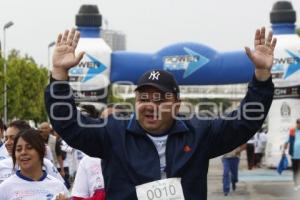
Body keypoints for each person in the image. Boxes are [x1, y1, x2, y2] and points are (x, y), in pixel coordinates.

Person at [45, 27, 276, 199]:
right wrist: (58, 75)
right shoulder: (113, 132)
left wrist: (262, 75)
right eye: (143, 98)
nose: (150, 105)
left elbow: (245, 121)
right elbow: (69, 124)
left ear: (177, 104)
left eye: (160, 98)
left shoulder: (199, 132)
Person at [0, 129, 69, 199]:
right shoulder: (5, 188)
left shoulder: (58, 186)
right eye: (18, 149)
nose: (23, 152)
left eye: (29, 148)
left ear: (41, 150)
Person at [0, 120, 64, 184]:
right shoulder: (2, 165)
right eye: (6, 138)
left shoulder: (46, 164)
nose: (7, 143)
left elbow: (60, 189)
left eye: (13, 138)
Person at [283, 118, 300, 190]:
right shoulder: (292, 131)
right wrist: (283, 151)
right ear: (297, 123)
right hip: (294, 154)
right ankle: (296, 184)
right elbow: (287, 141)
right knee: (295, 170)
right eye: (298, 123)